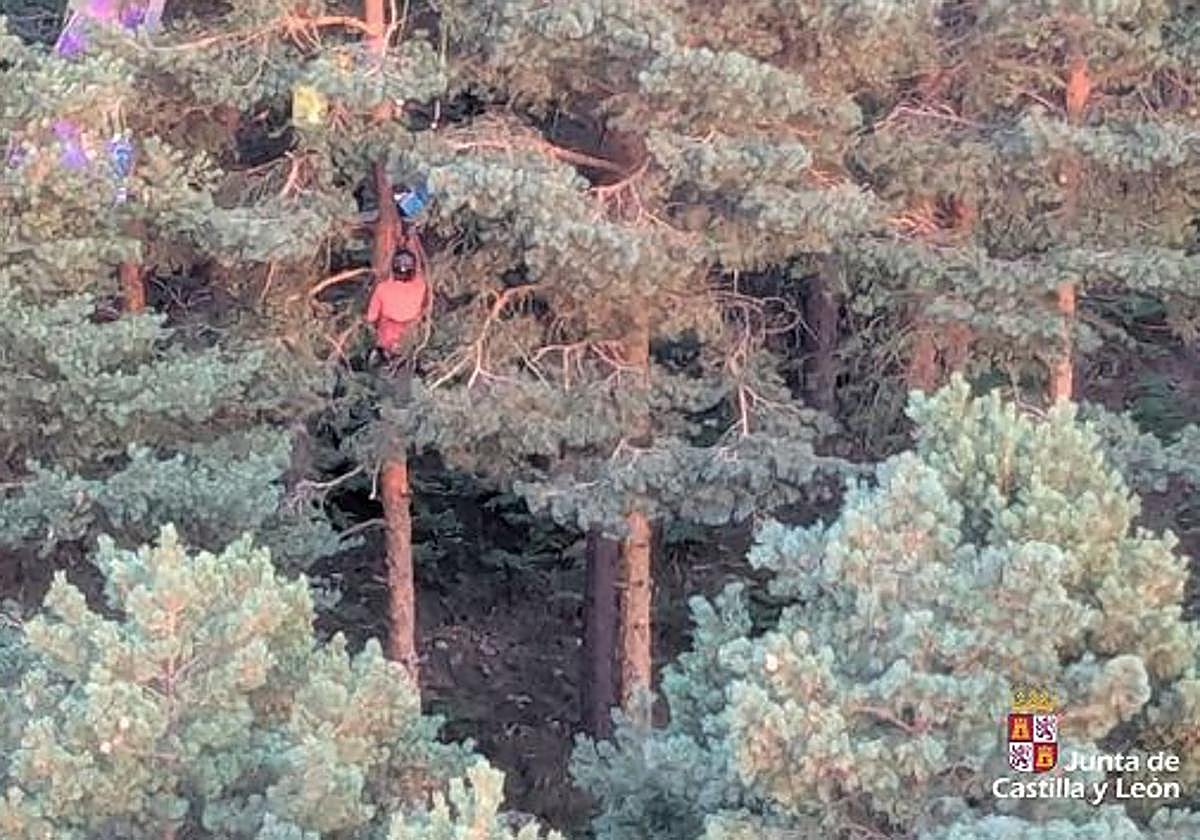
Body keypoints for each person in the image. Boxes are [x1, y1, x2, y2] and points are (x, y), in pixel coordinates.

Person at [365, 249, 428, 374]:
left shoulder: (382, 288)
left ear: (393, 268)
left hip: (387, 334)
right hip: (410, 333)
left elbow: (371, 317)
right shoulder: (421, 286)